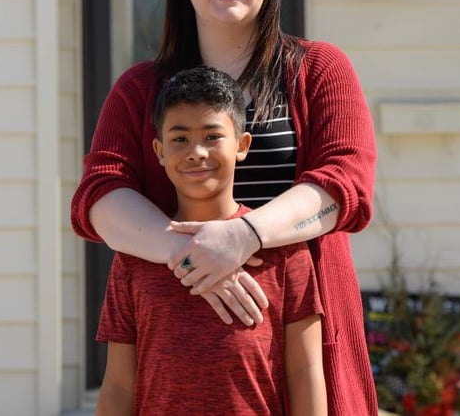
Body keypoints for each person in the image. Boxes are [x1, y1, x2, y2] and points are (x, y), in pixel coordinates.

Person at [71, 0, 378, 415]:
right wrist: (194, 255)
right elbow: (100, 194)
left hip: (303, 329)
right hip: (173, 357)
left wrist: (242, 236)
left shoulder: (319, 70)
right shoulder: (139, 88)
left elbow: (345, 184)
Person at [96, 66, 326, 415]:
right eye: (180, 139)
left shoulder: (286, 253)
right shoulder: (134, 258)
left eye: (212, 136)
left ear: (242, 145)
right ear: (159, 151)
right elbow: (117, 387)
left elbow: (304, 373)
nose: (196, 152)